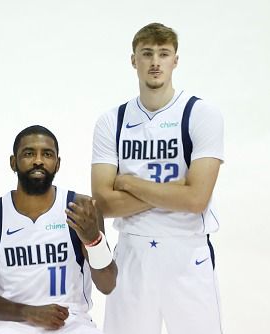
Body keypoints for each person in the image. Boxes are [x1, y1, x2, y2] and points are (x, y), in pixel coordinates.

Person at [91, 23, 224, 334]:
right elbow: (104, 203)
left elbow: (196, 200)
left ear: (175, 60)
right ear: (133, 60)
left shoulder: (201, 114)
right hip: (133, 254)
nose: (155, 62)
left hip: (187, 254)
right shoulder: (113, 121)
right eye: (146, 53)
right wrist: (175, 190)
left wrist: (128, 182)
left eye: (163, 54)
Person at [0, 125, 117, 334]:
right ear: (13, 162)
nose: (38, 160)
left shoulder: (82, 208)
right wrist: (29, 312)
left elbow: (107, 284)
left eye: (47, 154)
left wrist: (93, 241)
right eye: (29, 153)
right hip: (10, 325)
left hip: (70, 324)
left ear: (57, 163)